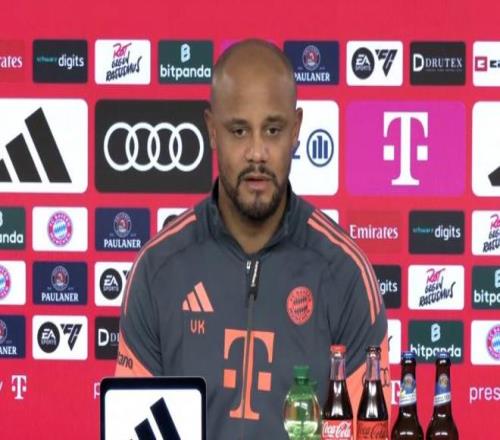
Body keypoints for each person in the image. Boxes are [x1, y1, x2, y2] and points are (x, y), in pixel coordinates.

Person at [115, 39, 390, 438]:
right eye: (239, 130)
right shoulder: (158, 270)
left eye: (273, 130)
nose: (257, 152)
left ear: (296, 130)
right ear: (212, 130)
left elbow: (370, 431)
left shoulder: (344, 274)